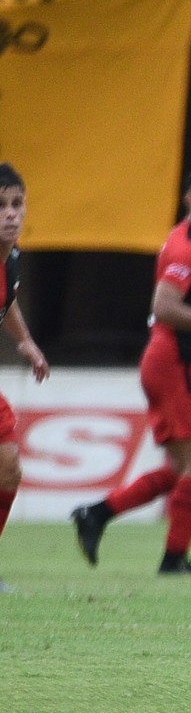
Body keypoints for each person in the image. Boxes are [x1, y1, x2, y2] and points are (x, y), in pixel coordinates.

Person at [72, 167, 191, 576]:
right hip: (176, 366)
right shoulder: (185, 249)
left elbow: (185, 312)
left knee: (181, 467)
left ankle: (97, 514)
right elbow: (164, 307)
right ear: (189, 198)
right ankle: (173, 558)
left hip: (171, 362)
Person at [0, 164, 50, 592]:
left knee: (8, 470)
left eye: (17, 204)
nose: (11, 214)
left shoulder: (10, 258)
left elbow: (6, 301)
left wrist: (26, 342)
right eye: (0, 206)